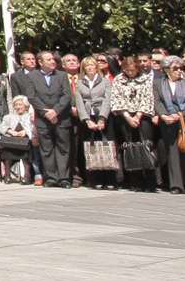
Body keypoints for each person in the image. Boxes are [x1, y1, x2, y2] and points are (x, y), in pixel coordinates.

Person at [21, 50, 74, 187]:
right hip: (43, 119)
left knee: (63, 148)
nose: (52, 62)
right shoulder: (32, 76)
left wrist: (56, 111)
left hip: (61, 117)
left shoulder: (62, 75)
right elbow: (32, 97)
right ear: (40, 62)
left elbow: (66, 96)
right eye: (49, 60)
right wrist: (46, 113)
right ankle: (51, 177)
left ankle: (64, 178)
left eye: (53, 60)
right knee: (47, 148)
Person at [111, 54, 157, 194]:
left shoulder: (145, 79)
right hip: (125, 117)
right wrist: (127, 116)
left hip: (142, 116)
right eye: (128, 70)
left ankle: (150, 181)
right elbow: (117, 98)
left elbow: (148, 98)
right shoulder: (119, 80)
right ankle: (134, 180)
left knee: (145, 146)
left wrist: (138, 115)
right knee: (129, 147)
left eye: (133, 70)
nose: (130, 73)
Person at [74, 55, 115, 189]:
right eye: (87, 66)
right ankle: (95, 179)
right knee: (91, 149)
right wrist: (86, 120)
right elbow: (79, 103)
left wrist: (102, 118)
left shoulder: (105, 81)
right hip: (88, 117)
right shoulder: (80, 83)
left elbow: (107, 99)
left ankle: (110, 180)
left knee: (106, 147)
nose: (90, 67)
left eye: (92, 65)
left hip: (103, 116)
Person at [152, 56, 185, 195]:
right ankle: (176, 185)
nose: (179, 71)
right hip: (168, 121)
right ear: (166, 70)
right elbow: (157, 101)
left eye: (181, 68)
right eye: (175, 68)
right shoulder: (158, 83)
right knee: (172, 153)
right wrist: (164, 115)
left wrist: (181, 114)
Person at [0, 94, 36, 183]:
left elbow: (33, 127)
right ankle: (7, 175)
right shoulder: (9, 116)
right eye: (16, 105)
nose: (18, 107)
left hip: (25, 141)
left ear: (26, 106)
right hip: (12, 141)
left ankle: (27, 175)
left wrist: (25, 132)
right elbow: (1, 127)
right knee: (7, 151)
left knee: (26, 153)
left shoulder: (30, 116)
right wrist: (10, 131)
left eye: (20, 104)